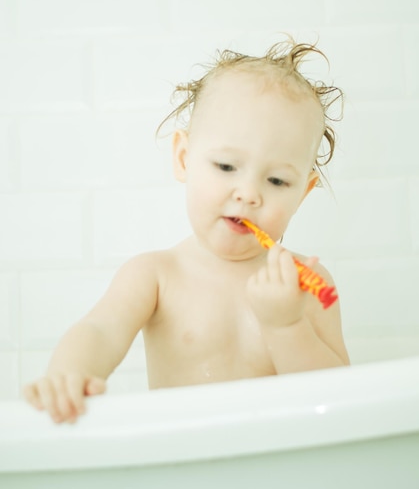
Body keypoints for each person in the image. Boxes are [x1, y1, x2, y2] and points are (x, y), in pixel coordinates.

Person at [24, 37, 350, 423]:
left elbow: (341, 399)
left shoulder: (310, 283)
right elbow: (100, 330)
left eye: (277, 181)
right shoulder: (156, 275)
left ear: (303, 192)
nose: (248, 194)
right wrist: (69, 374)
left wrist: (287, 325)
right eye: (227, 167)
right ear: (183, 158)